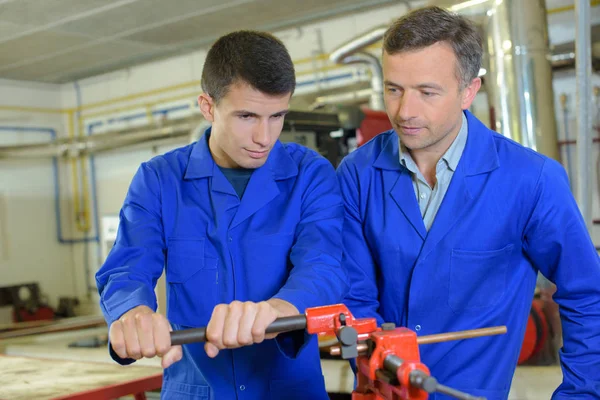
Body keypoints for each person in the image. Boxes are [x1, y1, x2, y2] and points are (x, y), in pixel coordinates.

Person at [337, 6, 600, 400]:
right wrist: (375, 364)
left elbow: (587, 295)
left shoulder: (531, 180)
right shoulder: (358, 173)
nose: (405, 111)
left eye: (427, 92)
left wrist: (580, 394)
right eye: (394, 89)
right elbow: (355, 294)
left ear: (468, 92)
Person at [96, 30, 348, 400]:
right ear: (208, 106)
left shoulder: (310, 174)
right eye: (247, 115)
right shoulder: (159, 180)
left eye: (277, 115)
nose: (264, 136)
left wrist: (278, 310)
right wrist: (132, 312)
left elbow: (324, 263)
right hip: (195, 390)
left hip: (290, 391)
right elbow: (128, 266)